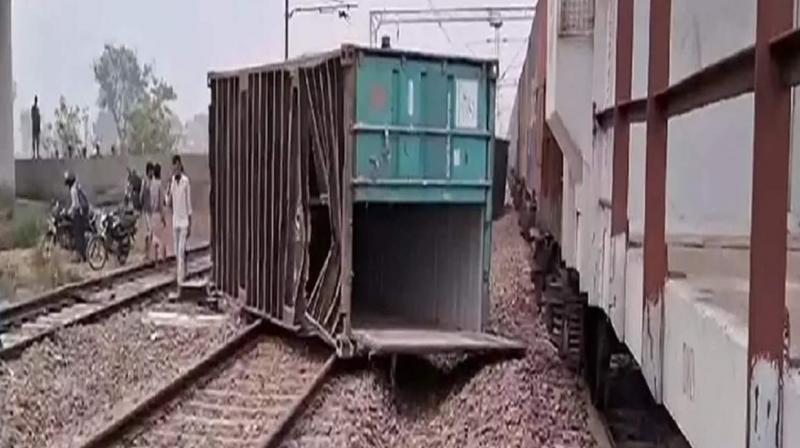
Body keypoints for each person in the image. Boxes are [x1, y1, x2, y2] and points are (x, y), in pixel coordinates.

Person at [166, 155, 192, 290]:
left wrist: (190, 222)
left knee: (181, 250)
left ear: (180, 166)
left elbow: (189, 203)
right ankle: (181, 274)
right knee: (177, 252)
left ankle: (180, 281)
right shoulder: (172, 182)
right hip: (175, 220)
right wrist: (167, 193)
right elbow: (169, 202)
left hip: (184, 221)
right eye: (173, 166)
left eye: (176, 166)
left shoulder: (186, 181)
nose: (175, 169)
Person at [64, 171, 90, 262]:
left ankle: (80, 256)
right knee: (80, 235)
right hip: (82, 214)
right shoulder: (78, 187)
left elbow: (76, 204)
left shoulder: (73, 190)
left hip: (78, 215)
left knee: (77, 235)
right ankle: (83, 256)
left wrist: (69, 211)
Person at [150, 164, 167, 263]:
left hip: (152, 213)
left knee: (155, 238)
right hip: (158, 214)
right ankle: (163, 262)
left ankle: (156, 260)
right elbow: (161, 202)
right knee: (162, 239)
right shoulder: (160, 185)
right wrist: (163, 217)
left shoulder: (152, 184)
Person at [141, 162, 154, 259]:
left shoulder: (152, 181)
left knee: (151, 232)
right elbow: (141, 195)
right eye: (151, 171)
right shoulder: (145, 182)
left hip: (151, 211)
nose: (152, 173)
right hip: (146, 211)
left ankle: (148, 252)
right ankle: (146, 253)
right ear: (148, 171)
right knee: (149, 232)